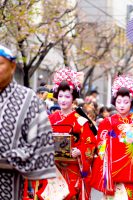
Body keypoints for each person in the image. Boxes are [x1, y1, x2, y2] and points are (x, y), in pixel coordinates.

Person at [0, 45, 56, 199]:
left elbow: (39, 146)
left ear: (12, 66)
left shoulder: (28, 100)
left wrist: (5, 159)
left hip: (9, 187)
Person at [90, 75, 133, 200]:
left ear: (132, 102)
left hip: (129, 168)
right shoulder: (107, 122)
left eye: (126, 102)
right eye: (119, 101)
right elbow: (101, 146)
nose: (122, 105)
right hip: (111, 169)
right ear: (114, 101)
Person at [49, 67, 97, 199]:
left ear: (73, 98)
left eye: (67, 96)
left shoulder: (81, 121)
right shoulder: (50, 119)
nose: (63, 100)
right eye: (60, 96)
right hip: (54, 168)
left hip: (73, 168)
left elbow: (91, 143)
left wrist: (80, 151)